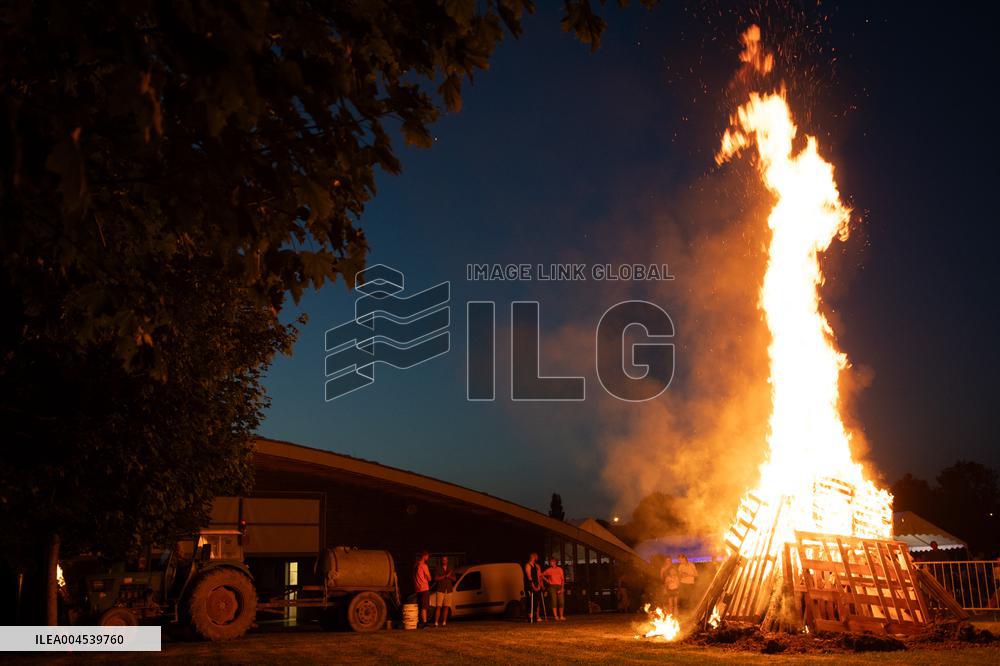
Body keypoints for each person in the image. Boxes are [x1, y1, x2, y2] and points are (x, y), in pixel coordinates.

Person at [432, 555, 457, 627]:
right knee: (438, 606)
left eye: (445, 560)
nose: (444, 561)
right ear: (441, 560)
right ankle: (436, 622)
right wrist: (445, 576)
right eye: (443, 560)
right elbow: (436, 578)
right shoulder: (438, 568)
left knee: (446, 606)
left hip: (448, 590)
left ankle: (444, 622)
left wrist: (449, 576)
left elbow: (454, 579)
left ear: (447, 560)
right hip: (440, 589)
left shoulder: (450, 568)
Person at [541, 556, 566, 621]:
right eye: (550, 562)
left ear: (555, 562)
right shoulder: (549, 570)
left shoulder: (560, 569)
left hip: (559, 586)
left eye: (551, 561)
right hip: (552, 586)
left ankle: (561, 616)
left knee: (561, 602)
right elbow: (541, 575)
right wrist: (547, 580)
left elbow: (563, 579)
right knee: (554, 601)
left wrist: (562, 588)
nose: (550, 563)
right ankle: (556, 616)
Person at [524, 552, 544, 622]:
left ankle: (535, 615)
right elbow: (529, 576)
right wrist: (533, 586)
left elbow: (538, 576)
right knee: (530, 600)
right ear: (533, 557)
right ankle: (529, 615)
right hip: (530, 585)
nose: (537, 558)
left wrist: (539, 585)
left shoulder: (536, 565)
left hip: (536, 584)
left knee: (537, 600)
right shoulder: (528, 565)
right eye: (536, 556)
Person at [413, 551, 431, 627]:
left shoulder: (415, 565)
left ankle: (419, 621)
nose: (428, 558)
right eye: (428, 556)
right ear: (424, 556)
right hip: (424, 588)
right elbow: (429, 578)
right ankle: (424, 622)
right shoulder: (424, 566)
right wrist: (428, 578)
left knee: (420, 606)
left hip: (418, 589)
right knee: (424, 606)